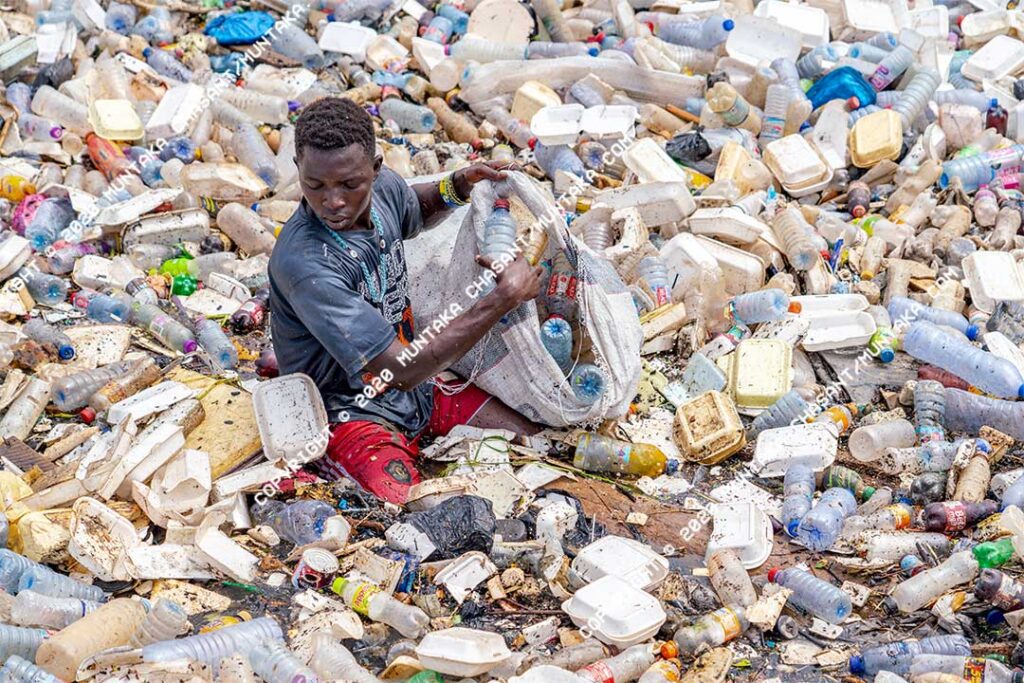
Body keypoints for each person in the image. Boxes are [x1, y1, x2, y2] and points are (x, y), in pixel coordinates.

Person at [268, 97, 545, 504]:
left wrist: (459, 185)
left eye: (349, 184)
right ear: (298, 169)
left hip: (417, 392)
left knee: (534, 441)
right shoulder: (308, 264)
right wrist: (501, 299)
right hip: (348, 414)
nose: (333, 201)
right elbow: (398, 370)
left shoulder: (384, 191)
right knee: (414, 503)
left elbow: (414, 205)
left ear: (375, 169)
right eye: (315, 185)